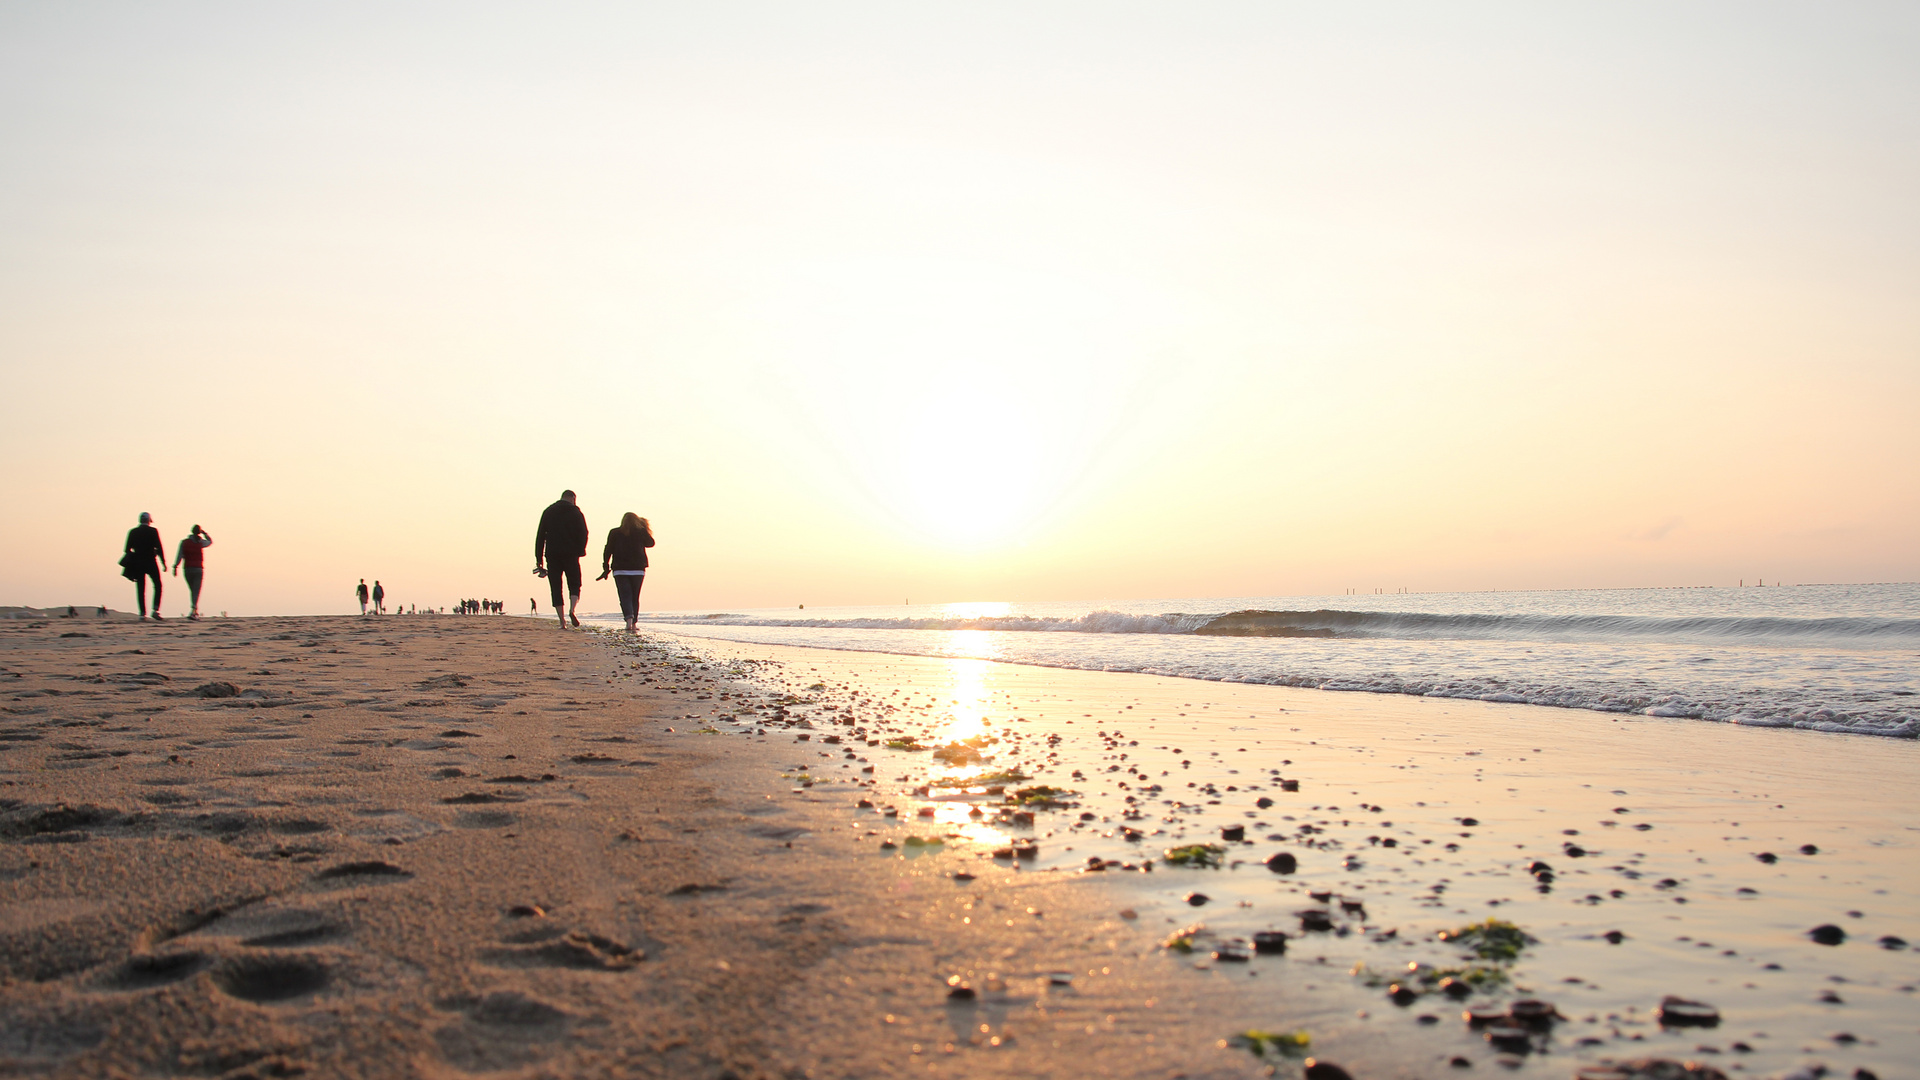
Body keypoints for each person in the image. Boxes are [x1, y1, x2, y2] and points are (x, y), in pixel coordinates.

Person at [534, 489, 589, 628]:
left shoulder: (549, 511)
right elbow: (584, 532)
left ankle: (562, 621)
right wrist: (581, 549)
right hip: (571, 554)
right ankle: (572, 610)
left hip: (553, 554)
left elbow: (540, 535)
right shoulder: (576, 512)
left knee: (556, 587)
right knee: (575, 583)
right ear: (572, 498)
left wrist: (538, 557)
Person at [597, 512, 655, 634]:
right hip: (637, 569)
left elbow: (608, 550)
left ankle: (628, 621)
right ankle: (634, 624)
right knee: (635, 596)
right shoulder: (640, 532)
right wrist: (644, 527)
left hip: (620, 569)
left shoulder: (615, 532)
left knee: (625, 596)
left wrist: (606, 567)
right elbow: (651, 543)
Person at [122, 512, 166, 620]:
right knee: (157, 585)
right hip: (151, 561)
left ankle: (142, 613)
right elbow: (159, 547)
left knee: (141, 587)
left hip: (138, 562)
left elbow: (127, 549)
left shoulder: (133, 532)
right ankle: (155, 609)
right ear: (149, 520)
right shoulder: (153, 531)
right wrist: (163, 562)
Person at [171, 525, 213, 620]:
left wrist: (175, 566)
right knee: (195, 590)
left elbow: (179, 555)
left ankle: (194, 610)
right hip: (198, 569)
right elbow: (210, 542)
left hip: (188, 569)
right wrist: (205, 533)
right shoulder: (200, 542)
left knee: (193, 590)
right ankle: (194, 610)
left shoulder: (184, 542)